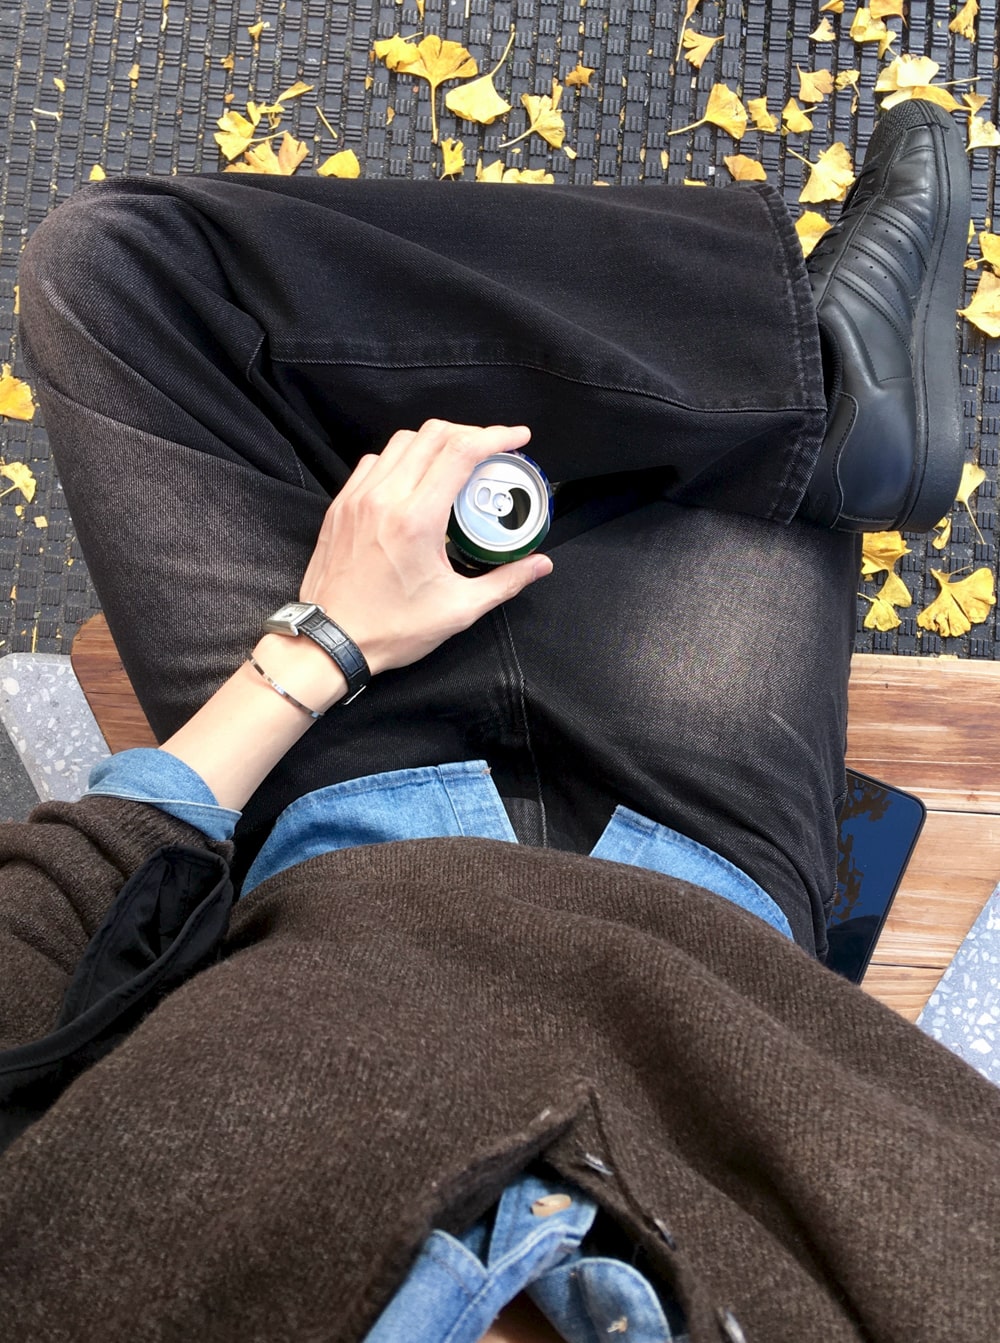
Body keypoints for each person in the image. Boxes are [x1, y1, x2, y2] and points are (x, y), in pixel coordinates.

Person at [0, 96, 998, 1343]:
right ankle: (812, 404)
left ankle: (811, 397)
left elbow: (38, 946)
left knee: (114, 271)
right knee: (686, 460)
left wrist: (323, 642)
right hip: (694, 876)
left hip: (331, 791)